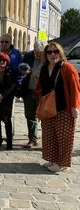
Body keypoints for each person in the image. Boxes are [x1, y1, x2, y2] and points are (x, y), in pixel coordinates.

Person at [36, 42, 80, 173]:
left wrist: (74, 107)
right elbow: (40, 88)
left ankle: (62, 163)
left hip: (64, 109)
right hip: (48, 107)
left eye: (55, 51)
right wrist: (40, 103)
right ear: (45, 55)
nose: (52, 54)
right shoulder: (44, 68)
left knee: (63, 137)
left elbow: (75, 89)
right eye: (49, 52)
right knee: (49, 135)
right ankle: (53, 160)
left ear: (60, 53)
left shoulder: (67, 68)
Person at [0, 33, 22, 140]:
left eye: (6, 42)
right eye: (2, 41)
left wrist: (18, 86)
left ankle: (9, 134)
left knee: (8, 113)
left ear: (10, 42)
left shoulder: (16, 54)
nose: (4, 44)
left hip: (10, 89)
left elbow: (20, 70)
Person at [18, 41, 44, 148]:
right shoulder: (28, 55)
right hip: (28, 90)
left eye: (40, 53)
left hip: (42, 93)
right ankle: (32, 139)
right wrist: (23, 72)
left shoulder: (46, 57)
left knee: (44, 116)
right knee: (30, 115)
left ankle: (48, 141)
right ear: (33, 49)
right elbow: (20, 68)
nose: (38, 55)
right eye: (36, 52)